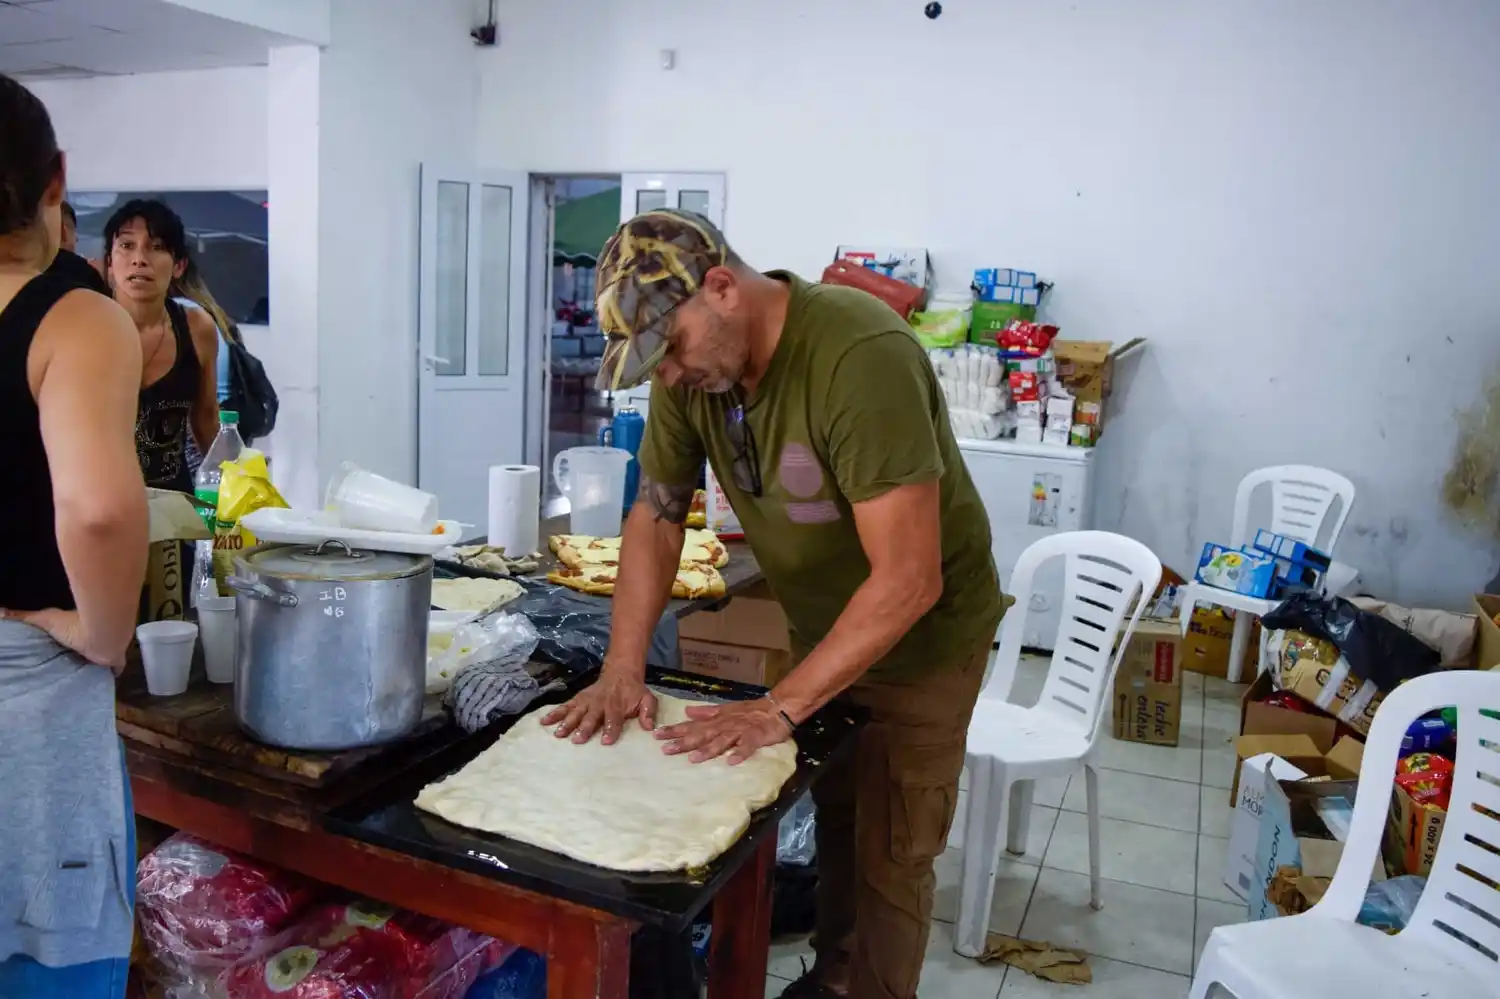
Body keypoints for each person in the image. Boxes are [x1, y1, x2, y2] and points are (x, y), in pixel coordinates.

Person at [543, 210, 1006, 999]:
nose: (671, 375)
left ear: (721, 287)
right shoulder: (694, 375)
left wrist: (778, 707)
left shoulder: (858, 356)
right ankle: (832, 979)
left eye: (672, 349)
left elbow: (908, 579)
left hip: (925, 645)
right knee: (836, 824)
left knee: (890, 856)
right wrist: (623, 666)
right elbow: (655, 516)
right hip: (825, 626)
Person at [0, 72, 149, 998]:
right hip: (24, 697)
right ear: (59, 176)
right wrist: (99, 631)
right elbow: (97, 509)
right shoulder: (79, 318)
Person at [102, 199, 219, 492]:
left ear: (179, 266)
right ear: (109, 263)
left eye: (156, 247)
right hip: (100, 502)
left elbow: (206, 418)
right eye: (127, 246)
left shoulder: (196, 328)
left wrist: (237, 487)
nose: (139, 259)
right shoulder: (83, 327)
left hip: (174, 508)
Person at [44, 200, 110, 297]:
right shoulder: (86, 275)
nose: (77, 238)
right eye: (74, 231)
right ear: (63, 231)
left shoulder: (27, 274)